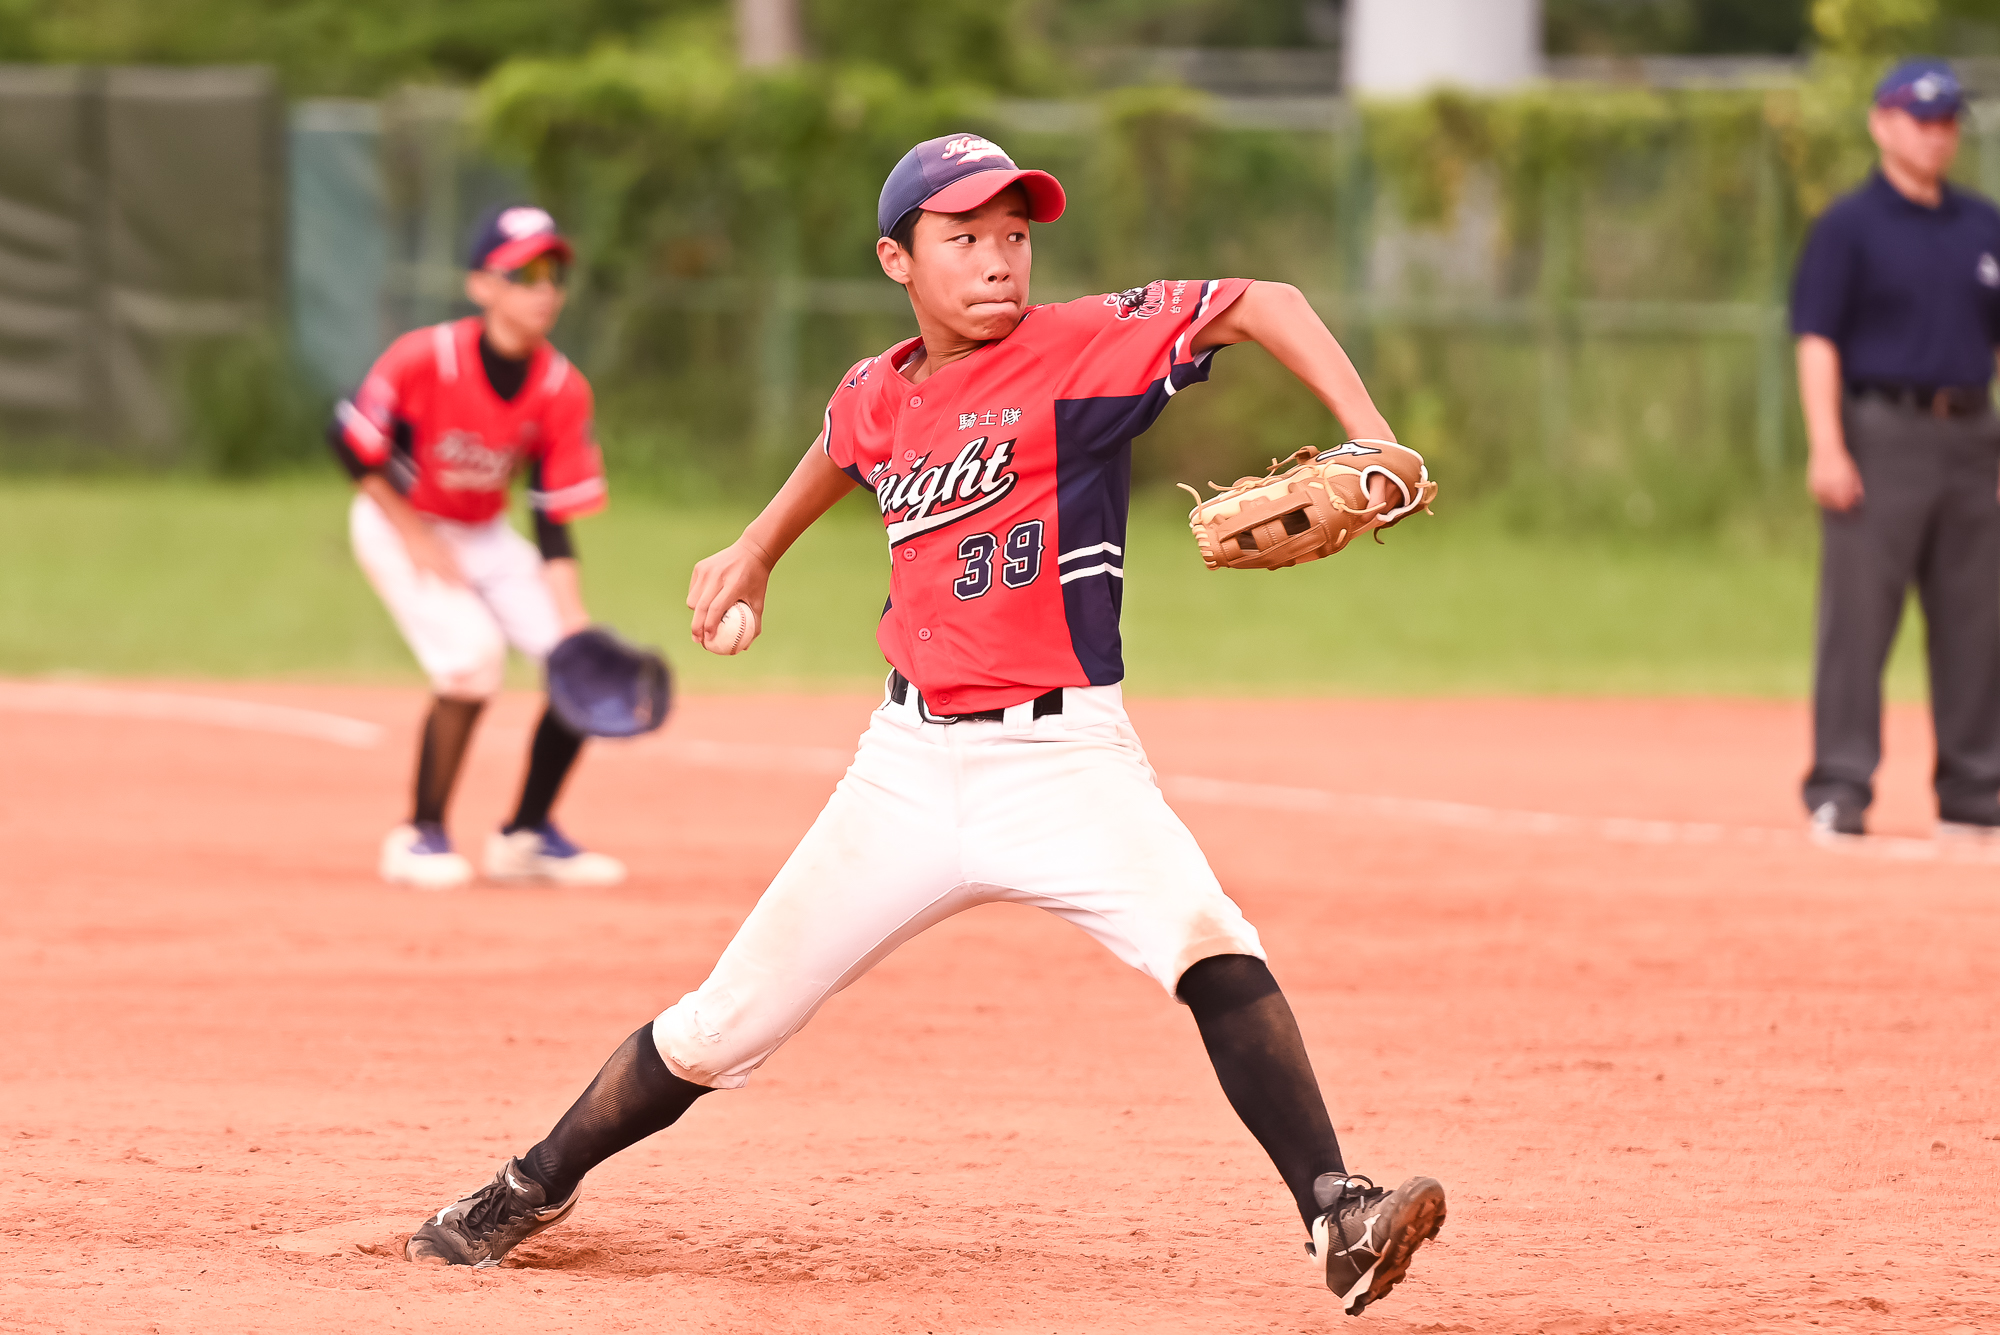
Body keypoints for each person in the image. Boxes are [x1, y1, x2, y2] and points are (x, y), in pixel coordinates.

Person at [401, 135, 1446, 1316]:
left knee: (1206, 938)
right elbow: (843, 444)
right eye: (964, 238)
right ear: (896, 257)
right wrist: (752, 551)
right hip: (901, 771)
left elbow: (1264, 301)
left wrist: (1368, 434)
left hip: (1064, 760)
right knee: (716, 1028)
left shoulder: (1081, 348)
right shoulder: (875, 388)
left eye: (1014, 234)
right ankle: (530, 1185)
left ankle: (1336, 1212)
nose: (999, 259)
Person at [331, 205, 626, 889]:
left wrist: (572, 616)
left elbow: (552, 517)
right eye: (523, 273)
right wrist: (412, 534)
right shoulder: (424, 358)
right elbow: (348, 440)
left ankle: (524, 837)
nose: (544, 288)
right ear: (482, 286)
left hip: (483, 531)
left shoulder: (560, 387)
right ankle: (420, 833)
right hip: (396, 519)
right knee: (470, 660)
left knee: (571, 665)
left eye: (553, 273)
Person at [1794, 59, 2000, 840]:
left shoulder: (1983, 226)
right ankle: (1841, 785)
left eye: (1948, 121)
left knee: (1977, 620)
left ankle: (1975, 790)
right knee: (1859, 619)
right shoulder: (1850, 226)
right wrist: (1827, 444)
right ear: (1883, 123)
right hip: (1882, 433)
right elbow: (1818, 339)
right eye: (1921, 118)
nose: (1936, 134)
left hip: (1974, 434)